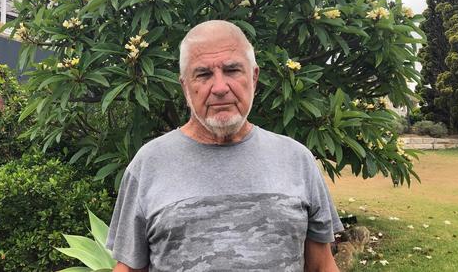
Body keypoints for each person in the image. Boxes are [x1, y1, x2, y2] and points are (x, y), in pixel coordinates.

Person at [106, 20, 343, 272]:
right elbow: (129, 268)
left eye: (232, 70)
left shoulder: (297, 159)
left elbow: (321, 266)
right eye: (203, 74)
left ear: (254, 77)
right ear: (185, 85)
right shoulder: (148, 164)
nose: (219, 88)